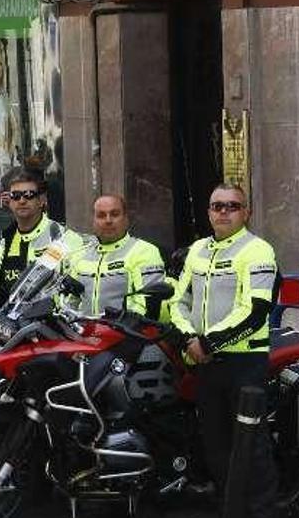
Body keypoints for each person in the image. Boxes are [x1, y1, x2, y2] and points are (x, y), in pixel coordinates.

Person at [169, 184, 278, 517]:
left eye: (233, 206)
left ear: (247, 212)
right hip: (205, 362)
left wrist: (207, 342)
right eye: (217, 206)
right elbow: (178, 300)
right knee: (215, 446)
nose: (224, 212)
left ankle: (261, 512)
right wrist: (188, 338)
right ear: (208, 212)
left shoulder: (258, 250)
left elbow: (254, 309)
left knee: (252, 447)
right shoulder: (198, 250)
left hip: (244, 362)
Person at [0, 168, 86, 293]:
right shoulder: (7, 238)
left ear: (41, 201)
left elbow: (80, 286)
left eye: (29, 195)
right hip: (11, 311)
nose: (22, 201)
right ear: (9, 202)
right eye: (16, 196)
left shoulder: (64, 237)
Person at [69, 195, 166, 316]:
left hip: (126, 332)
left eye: (114, 214)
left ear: (126, 219)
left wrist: (118, 324)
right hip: (84, 332)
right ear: (93, 221)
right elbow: (70, 303)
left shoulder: (144, 251)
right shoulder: (80, 254)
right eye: (101, 215)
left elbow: (146, 306)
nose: (108, 220)